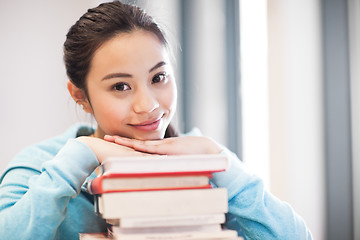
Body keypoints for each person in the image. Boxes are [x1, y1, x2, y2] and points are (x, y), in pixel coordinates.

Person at [0, 1, 312, 240]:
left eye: (158, 77)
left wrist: (220, 159)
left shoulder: (202, 161)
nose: (148, 105)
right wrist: (83, 154)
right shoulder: (40, 166)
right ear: (79, 95)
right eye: (120, 86)